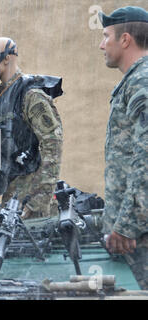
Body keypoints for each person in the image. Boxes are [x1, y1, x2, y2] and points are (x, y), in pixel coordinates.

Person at [0, 37, 63, 219]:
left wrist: (38, 201)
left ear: (7, 58)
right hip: (12, 199)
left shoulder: (30, 95)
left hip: (32, 204)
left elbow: (53, 145)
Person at [98, 6, 148, 290]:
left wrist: (127, 224)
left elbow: (146, 158)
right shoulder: (134, 80)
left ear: (125, 39)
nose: (102, 45)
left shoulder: (143, 81)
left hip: (137, 237)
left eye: (106, 36)